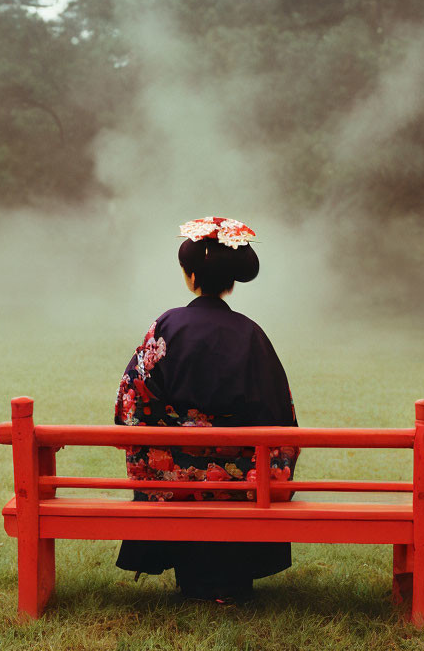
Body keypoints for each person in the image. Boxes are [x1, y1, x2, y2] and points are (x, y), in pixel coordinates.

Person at [113, 216, 299, 603]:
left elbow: (130, 407)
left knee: (170, 459)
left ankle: (192, 577)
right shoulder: (251, 334)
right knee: (247, 462)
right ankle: (229, 582)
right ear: (231, 282)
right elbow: (281, 416)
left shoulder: (166, 326)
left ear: (191, 277)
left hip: (174, 480)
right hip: (239, 482)